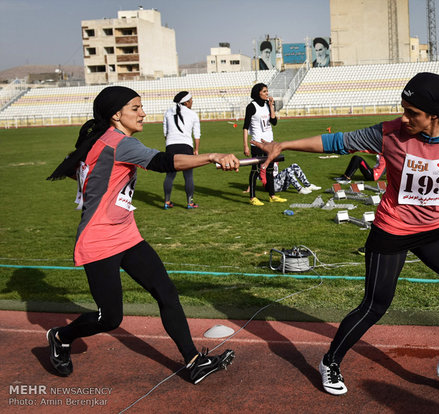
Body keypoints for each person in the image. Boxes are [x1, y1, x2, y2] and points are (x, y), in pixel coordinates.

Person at [254, 72, 439, 395]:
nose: (404, 117)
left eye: (413, 113)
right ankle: (331, 361)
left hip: (435, 230)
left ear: (436, 116)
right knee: (375, 305)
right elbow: (336, 142)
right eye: (403, 109)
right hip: (392, 230)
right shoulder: (389, 134)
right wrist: (283, 143)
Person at [46, 86, 238, 384]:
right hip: (98, 240)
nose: (143, 113)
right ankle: (60, 336)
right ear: (116, 115)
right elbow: (164, 161)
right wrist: (212, 156)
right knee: (109, 318)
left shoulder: (103, 140)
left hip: (126, 234)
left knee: (166, 292)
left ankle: (193, 361)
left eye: (142, 107)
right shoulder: (118, 143)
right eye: (136, 108)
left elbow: (83, 172)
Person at [242, 83, 286, 205]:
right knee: (255, 170)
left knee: (270, 170)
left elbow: (274, 122)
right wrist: (245, 145)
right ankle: (252, 197)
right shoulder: (251, 107)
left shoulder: (267, 104)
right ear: (258, 93)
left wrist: (271, 106)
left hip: (269, 143)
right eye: (265, 91)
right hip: (257, 143)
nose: (267, 93)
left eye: (267, 91)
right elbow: (245, 127)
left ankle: (272, 195)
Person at [162, 91, 201, 209]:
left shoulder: (168, 112)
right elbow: (197, 134)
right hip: (186, 146)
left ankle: (167, 201)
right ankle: (190, 203)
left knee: (170, 175)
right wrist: (196, 150)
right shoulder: (193, 114)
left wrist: (170, 144)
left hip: (171, 145)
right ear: (187, 102)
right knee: (188, 176)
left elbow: (165, 132)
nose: (192, 102)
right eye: (191, 100)